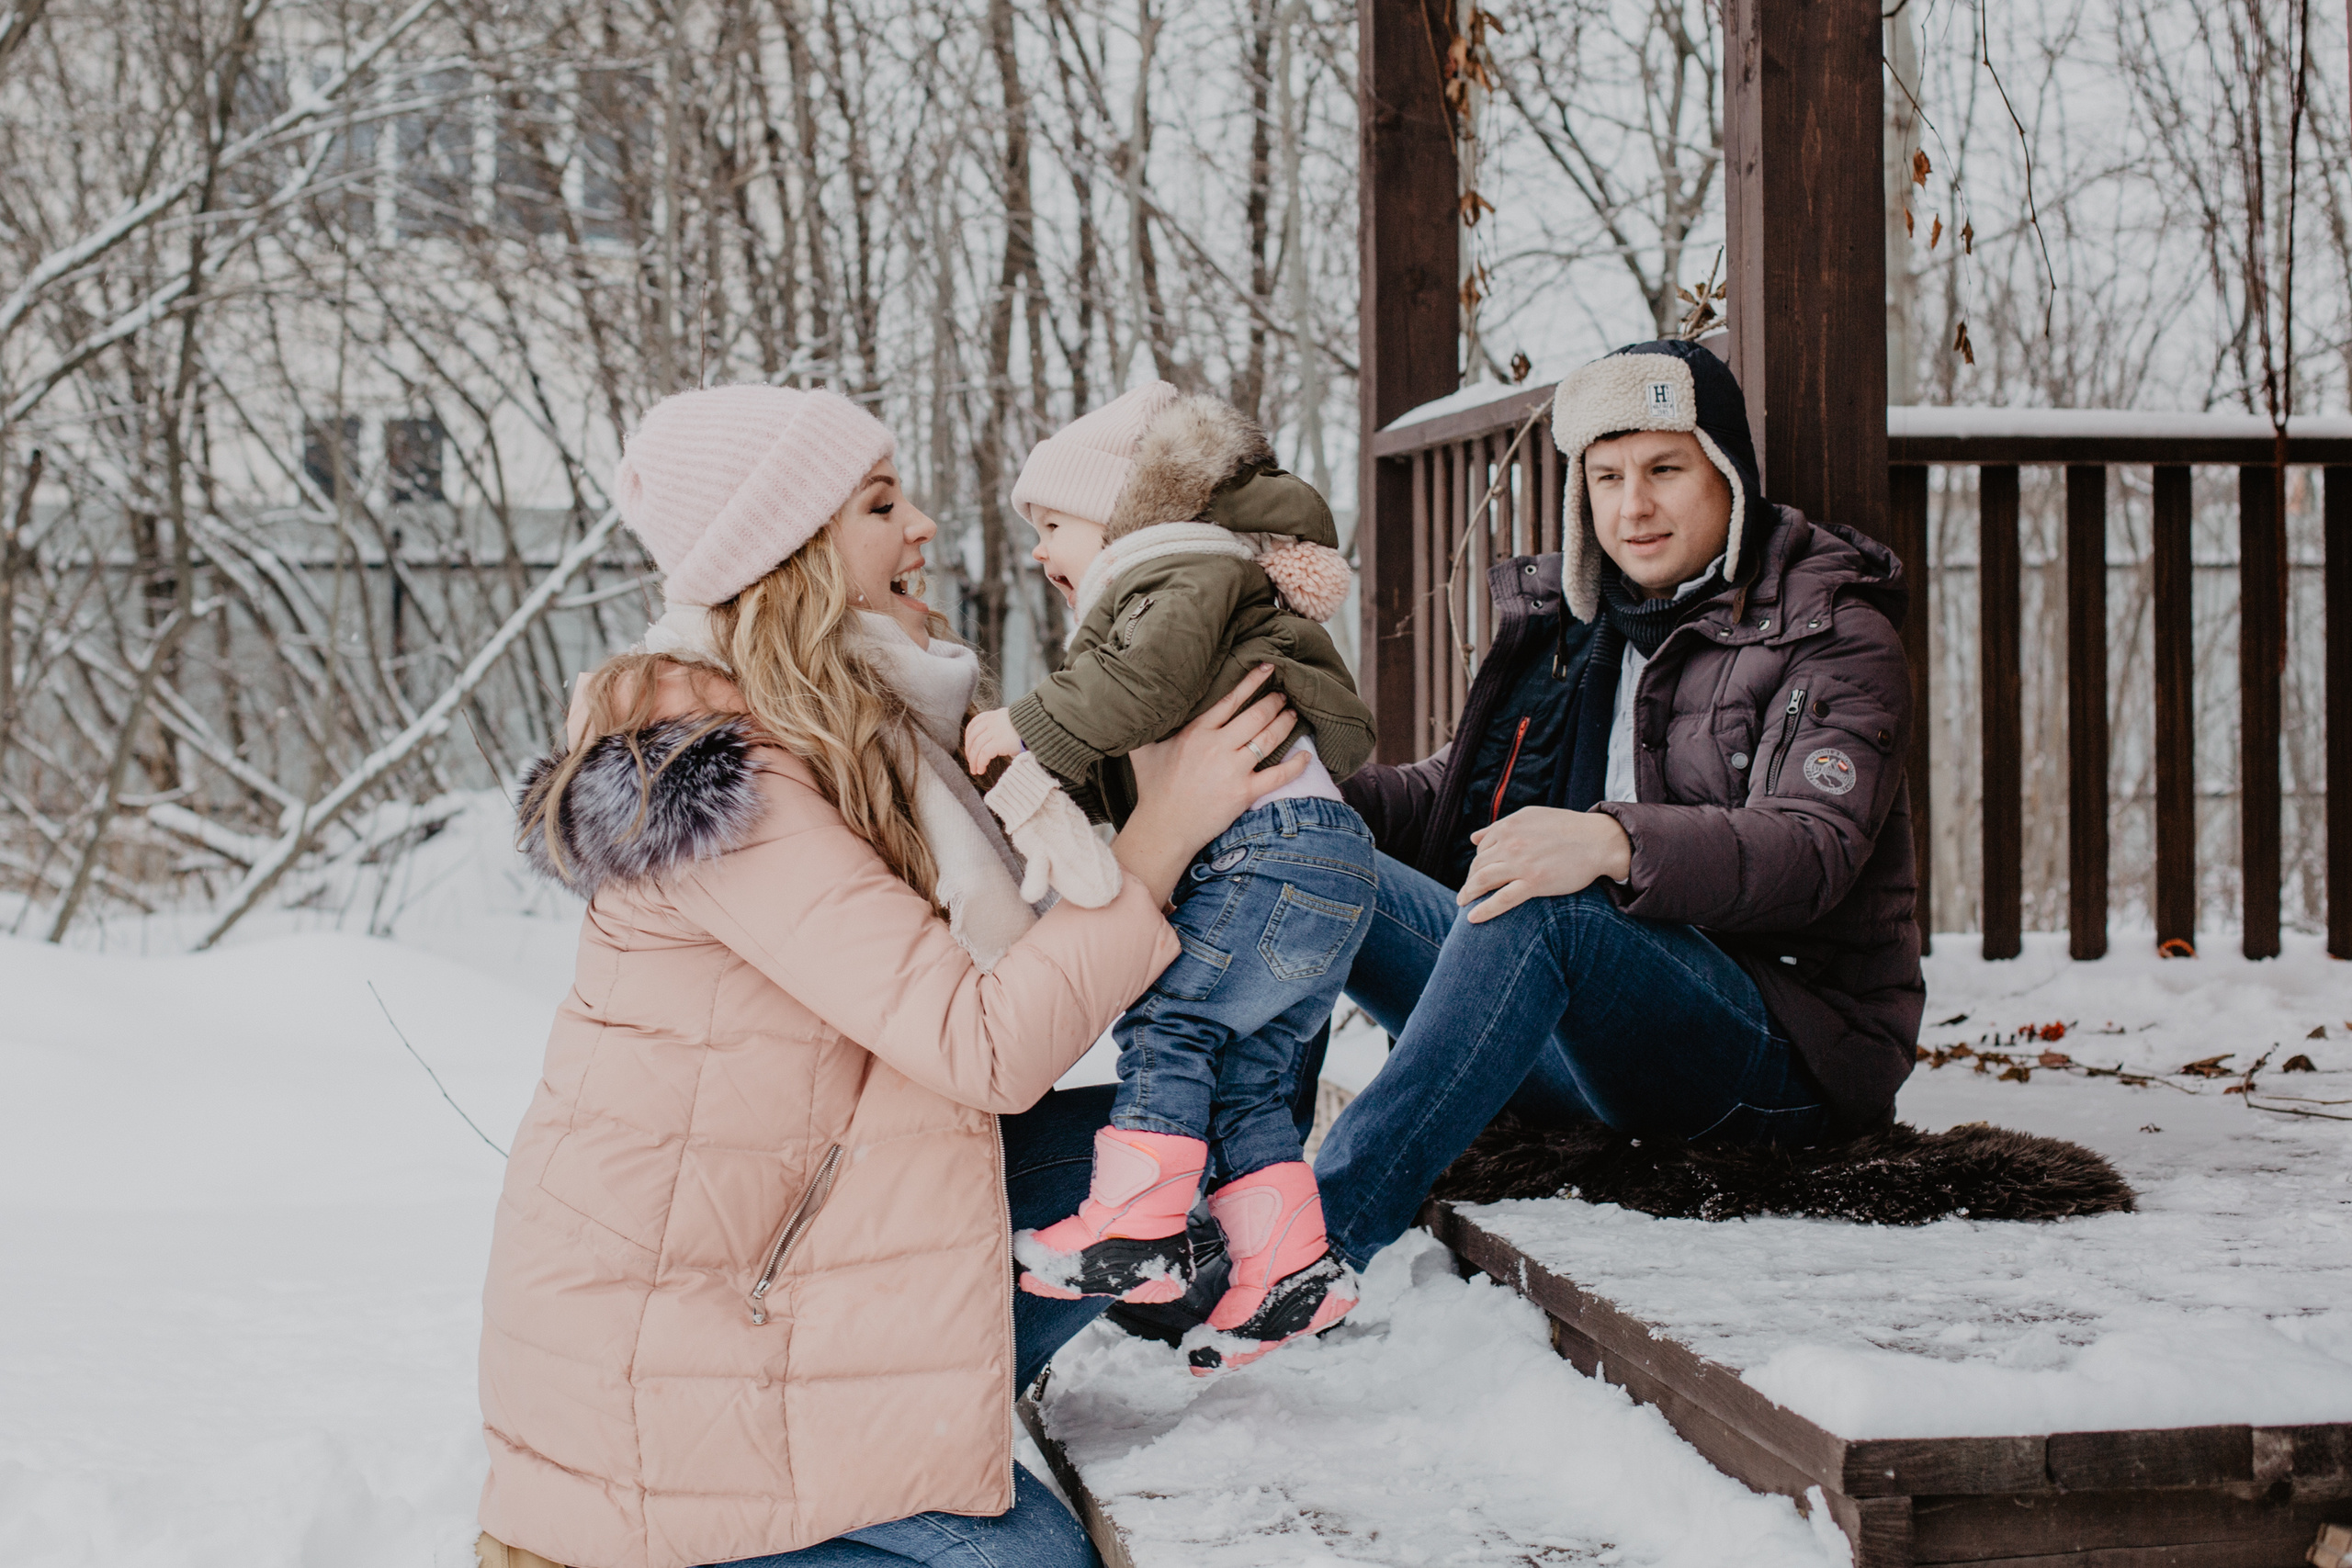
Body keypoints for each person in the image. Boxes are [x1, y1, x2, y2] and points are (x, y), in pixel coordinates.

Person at [473, 383, 1309, 1568]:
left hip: (820, 1225)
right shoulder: (716, 779)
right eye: (879, 504)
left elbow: (1016, 986)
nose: (920, 526)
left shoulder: (851, 729)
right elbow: (986, 1043)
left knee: (1208, 1142)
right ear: (794, 554)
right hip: (695, 1373)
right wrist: (1157, 839)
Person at [1316, 338, 1925, 1279]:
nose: (1632, 506)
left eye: (1664, 470)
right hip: (1590, 1047)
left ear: (1726, 474)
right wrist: (1301, 789)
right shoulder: (1577, 633)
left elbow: (1810, 849)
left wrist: (1610, 842)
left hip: (1778, 1056)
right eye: (1606, 477)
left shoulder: (1832, 632)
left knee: (1549, 907)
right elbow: (1454, 795)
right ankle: (1236, 1191)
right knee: (1310, 857)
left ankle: (1311, 1249)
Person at [960, 381, 1378, 1371]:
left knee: (1169, 1026)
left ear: (1127, 514)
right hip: (1313, 865)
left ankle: (1136, 1229)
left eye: (1052, 523)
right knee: (1248, 1075)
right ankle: (1286, 1270)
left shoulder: (1179, 566)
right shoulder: (1196, 592)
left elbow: (1129, 689)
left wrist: (1021, 730)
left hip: (1263, 855)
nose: (1037, 549)